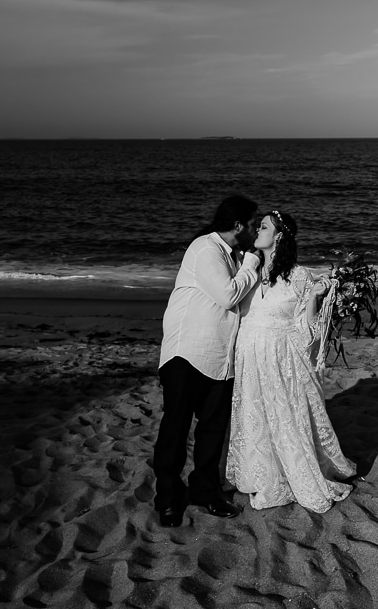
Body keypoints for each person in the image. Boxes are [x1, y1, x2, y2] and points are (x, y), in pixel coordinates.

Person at [226, 210, 356, 513]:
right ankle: (260, 475)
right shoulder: (249, 270)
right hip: (249, 354)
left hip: (279, 355)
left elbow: (307, 331)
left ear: (280, 236)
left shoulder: (299, 276)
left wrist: (314, 298)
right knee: (254, 414)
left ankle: (293, 476)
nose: (256, 230)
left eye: (264, 227)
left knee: (283, 415)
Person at [153, 194, 260, 527]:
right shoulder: (205, 248)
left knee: (212, 433)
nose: (256, 231)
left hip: (221, 358)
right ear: (238, 225)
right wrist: (253, 264)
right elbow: (228, 294)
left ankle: (205, 492)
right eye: (253, 224)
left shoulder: (235, 255)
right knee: (175, 429)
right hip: (188, 353)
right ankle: (168, 498)